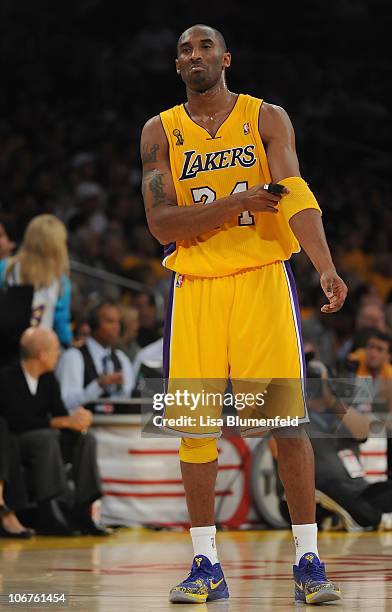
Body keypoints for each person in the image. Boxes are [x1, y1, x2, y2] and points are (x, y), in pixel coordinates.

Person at [140, 24, 347, 605]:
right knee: (194, 429)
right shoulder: (160, 132)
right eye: (184, 49)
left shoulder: (266, 118)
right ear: (177, 66)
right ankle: (205, 563)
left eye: (205, 46)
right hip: (195, 288)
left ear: (225, 58)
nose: (194, 55)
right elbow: (161, 224)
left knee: (285, 425)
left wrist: (323, 265)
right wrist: (235, 205)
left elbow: (293, 191)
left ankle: (308, 560)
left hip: (261, 282)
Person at [0, 327, 111, 536]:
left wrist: (77, 421)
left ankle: (83, 508)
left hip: (46, 438)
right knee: (46, 438)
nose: (59, 354)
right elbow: (15, 421)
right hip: (18, 443)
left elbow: (60, 414)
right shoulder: (8, 377)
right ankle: (50, 508)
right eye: (55, 350)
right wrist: (60, 422)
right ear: (41, 355)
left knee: (86, 439)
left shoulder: (49, 379)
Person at [0, 214, 73, 348]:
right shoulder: (61, 283)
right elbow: (61, 325)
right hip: (38, 356)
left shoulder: (6, 268)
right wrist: (71, 344)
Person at [56, 300, 135, 413]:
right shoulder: (73, 357)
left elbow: (129, 399)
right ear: (94, 324)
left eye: (118, 322)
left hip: (119, 425)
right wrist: (98, 385)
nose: (116, 327)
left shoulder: (121, 358)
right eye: (110, 321)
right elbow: (66, 403)